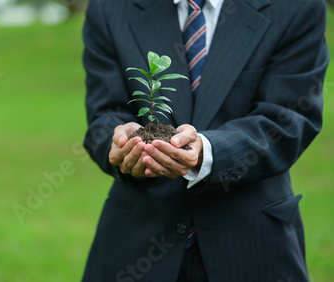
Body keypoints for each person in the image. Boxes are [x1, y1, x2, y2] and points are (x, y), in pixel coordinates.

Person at [81, 0, 329, 281]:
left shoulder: (296, 6)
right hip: (137, 248)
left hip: (253, 245)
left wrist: (208, 152)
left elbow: (289, 117)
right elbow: (105, 116)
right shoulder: (110, 7)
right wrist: (123, 142)